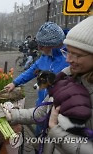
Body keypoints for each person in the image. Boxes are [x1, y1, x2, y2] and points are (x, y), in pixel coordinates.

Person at [5, 16, 93, 154]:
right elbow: (44, 108)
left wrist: (54, 129)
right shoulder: (65, 73)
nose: (69, 59)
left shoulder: (67, 66)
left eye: (77, 55)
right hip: (45, 118)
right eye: (68, 52)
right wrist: (11, 114)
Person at [5, 22, 69, 136]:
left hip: (58, 112)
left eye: (42, 45)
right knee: (39, 139)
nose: (39, 48)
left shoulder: (68, 60)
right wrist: (15, 83)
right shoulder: (45, 56)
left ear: (53, 44)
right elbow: (32, 70)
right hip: (41, 107)